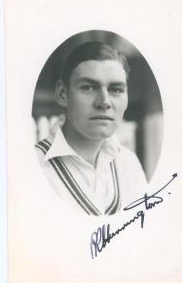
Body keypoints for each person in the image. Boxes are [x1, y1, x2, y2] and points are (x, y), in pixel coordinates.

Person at [35, 41, 147, 216]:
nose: (104, 102)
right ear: (62, 94)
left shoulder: (128, 163)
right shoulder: (33, 167)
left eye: (116, 89)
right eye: (88, 87)